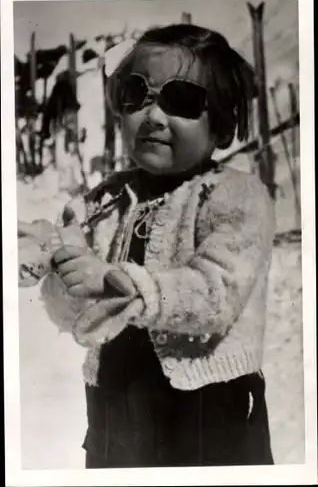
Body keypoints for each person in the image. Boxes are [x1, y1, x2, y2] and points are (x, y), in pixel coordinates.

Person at [21, 23, 276, 467]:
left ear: (220, 124)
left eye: (181, 100)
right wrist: (54, 261)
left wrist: (116, 280)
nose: (153, 116)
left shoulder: (235, 196)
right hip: (115, 406)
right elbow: (79, 307)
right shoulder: (109, 197)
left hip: (207, 413)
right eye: (136, 94)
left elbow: (215, 294)